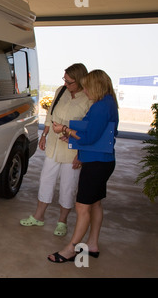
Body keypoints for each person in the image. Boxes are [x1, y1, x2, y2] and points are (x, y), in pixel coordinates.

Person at [48, 69, 119, 263]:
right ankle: (93, 244)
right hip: (104, 161)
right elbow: (94, 130)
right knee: (95, 203)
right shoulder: (109, 103)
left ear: (95, 86)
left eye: (86, 86)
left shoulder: (99, 107)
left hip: (96, 163)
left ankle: (71, 249)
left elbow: (89, 137)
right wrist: (71, 132)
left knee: (82, 206)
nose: (84, 90)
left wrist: (65, 129)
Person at [20, 63, 92, 236]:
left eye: (69, 82)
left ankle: (62, 221)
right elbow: (50, 114)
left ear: (80, 81)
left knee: (68, 186)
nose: (66, 85)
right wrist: (44, 135)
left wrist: (81, 154)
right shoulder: (61, 91)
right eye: (64, 80)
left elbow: (89, 130)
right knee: (46, 180)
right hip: (54, 145)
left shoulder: (89, 98)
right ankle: (39, 216)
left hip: (73, 150)